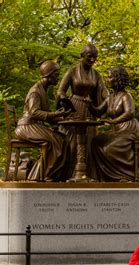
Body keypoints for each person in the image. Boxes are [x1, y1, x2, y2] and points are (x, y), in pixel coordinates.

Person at [57, 44, 108, 178]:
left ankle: (87, 174)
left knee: (89, 141)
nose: (92, 60)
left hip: (90, 109)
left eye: (95, 57)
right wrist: (64, 100)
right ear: (82, 55)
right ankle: (69, 174)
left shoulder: (96, 74)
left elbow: (103, 91)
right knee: (72, 142)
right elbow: (61, 90)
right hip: (74, 108)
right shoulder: (72, 71)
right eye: (89, 56)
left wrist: (110, 98)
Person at [15, 60, 70, 182]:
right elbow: (35, 112)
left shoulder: (43, 90)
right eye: (56, 75)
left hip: (34, 125)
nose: (58, 77)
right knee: (56, 141)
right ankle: (43, 175)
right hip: (26, 127)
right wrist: (56, 114)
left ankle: (48, 174)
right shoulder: (35, 91)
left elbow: (48, 116)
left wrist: (63, 117)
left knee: (63, 139)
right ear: (48, 75)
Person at [89, 66, 139, 182]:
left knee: (109, 148)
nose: (108, 79)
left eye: (110, 77)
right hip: (118, 130)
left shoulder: (126, 96)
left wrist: (113, 121)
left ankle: (125, 175)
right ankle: (101, 177)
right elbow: (98, 111)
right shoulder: (110, 97)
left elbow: (130, 113)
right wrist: (89, 104)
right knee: (95, 141)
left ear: (117, 79)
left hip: (130, 130)